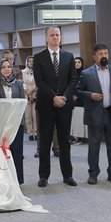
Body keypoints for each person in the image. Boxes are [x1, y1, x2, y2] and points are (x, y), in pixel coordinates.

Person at [76, 44, 111, 185]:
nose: (104, 56)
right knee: (94, 146)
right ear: (94, 56)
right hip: (95, 114)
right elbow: (78, 90)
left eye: (106, 53)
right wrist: (90, 95)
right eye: (100, 54)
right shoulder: (86, 73)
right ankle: (93, 174)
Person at [32, 26, 78, 187]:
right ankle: (43, 176)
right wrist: (54, 97)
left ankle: (68, 175)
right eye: (52, 35)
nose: (55, 37)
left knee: (64, 141)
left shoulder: (69, 56)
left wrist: (64, 97)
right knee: (45, 141)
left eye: (57, 35)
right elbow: (39, 81)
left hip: (65, 104)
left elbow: (73, 79)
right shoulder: (39, 57)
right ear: (46, 38)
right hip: (46, 105)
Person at [0, 59, 26, 184]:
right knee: (1, 152)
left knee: (17, 151)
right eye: (3, 67)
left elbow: (22, 104)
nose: (7, 69)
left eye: (9, 66)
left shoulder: (19, 84)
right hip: (0, 124)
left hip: (16, 123)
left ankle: (18, 180)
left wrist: (17, 119)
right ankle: (2, 180)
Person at [69, 57, 86, 145]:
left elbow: (85, 87)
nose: (77, 64)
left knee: (78, 119)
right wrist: (71, 95)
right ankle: (72, 137)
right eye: (75, 62)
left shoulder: (84, 74)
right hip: (70, 99)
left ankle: (78, 137)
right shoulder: (70, 74)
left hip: (80, 100)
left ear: (82, 64)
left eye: (79, 62)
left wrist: (77, 95)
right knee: (72, 119)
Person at [22, 56, 37, 141]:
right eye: (29, 61)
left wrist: (32, 91)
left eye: (32, 61)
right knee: (28, 116)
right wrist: (28, 92)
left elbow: (38, 83)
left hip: (35, 94)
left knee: (35, 115)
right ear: (27, 62)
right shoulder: (23, 72)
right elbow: (22, 83)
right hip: (26, 94)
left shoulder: (37, 71)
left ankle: (36, 132)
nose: (31, 62)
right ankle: (30, 133)